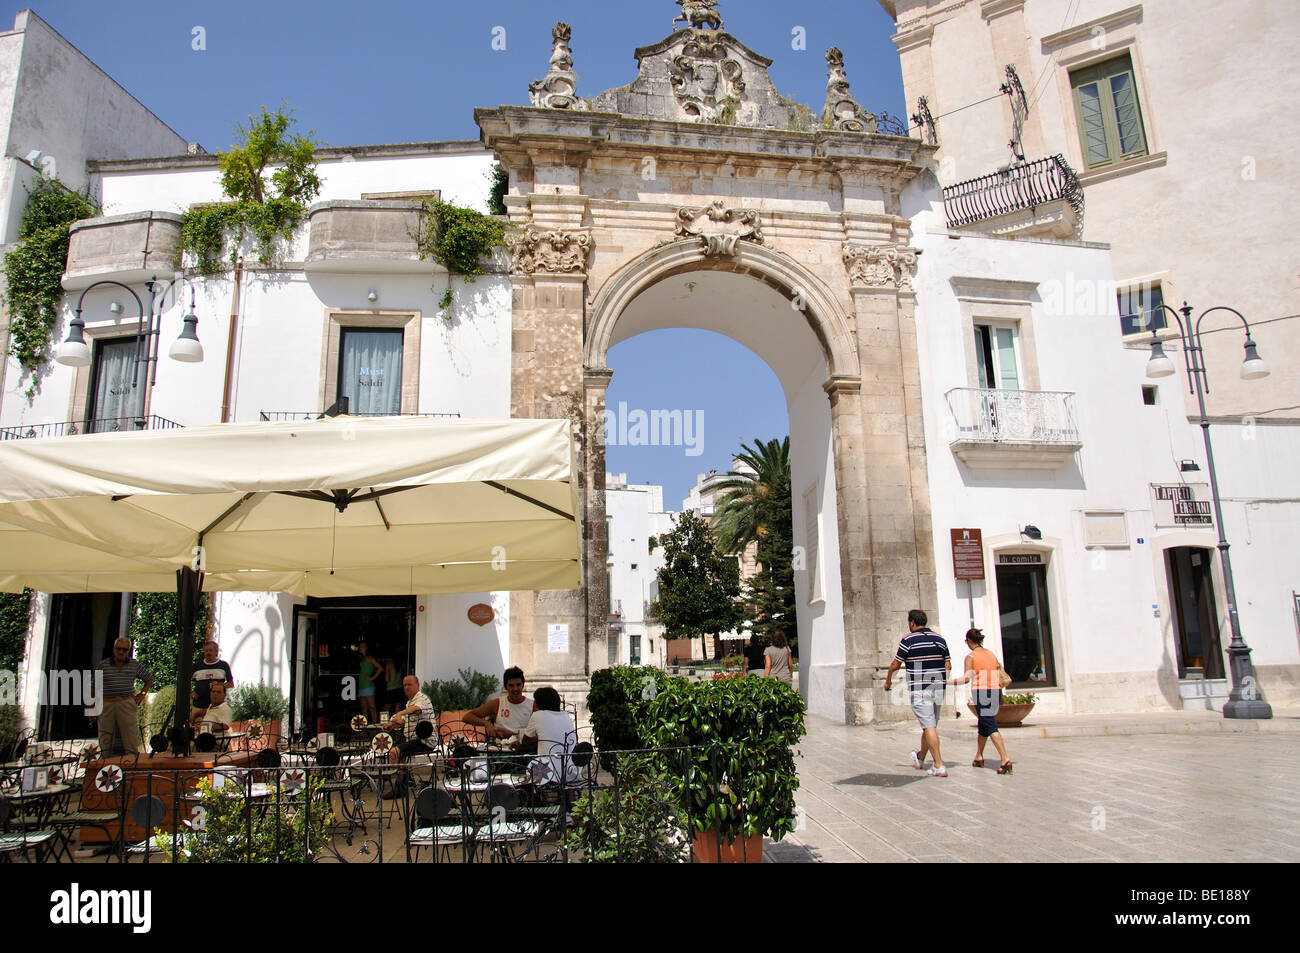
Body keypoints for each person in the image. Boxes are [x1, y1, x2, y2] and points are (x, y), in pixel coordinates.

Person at [883, 609, 951, 777]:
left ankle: (939, 765)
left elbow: (895, 665)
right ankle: (920, 758)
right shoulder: (940, 639)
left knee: (929, 726)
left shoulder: (908, 640)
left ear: (912, 622)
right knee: (929, 725)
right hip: (938, 687)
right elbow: (948, 665)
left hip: (920, 688)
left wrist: (888, 680)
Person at [950, 628, 1013, 774]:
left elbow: (966, 678)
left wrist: (948, 682)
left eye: (966, 641)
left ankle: (1005, 760)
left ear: (969, 641)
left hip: (982, 693)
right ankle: (979, 757)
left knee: (990, 725)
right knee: (984, 725)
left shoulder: (971, 657)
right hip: (996, 691)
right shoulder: (991, 654)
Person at [92, 637, 152, 755]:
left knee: (130, 736)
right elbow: (94, 686)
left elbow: (149, 679)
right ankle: (105, 761)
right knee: (105, 736)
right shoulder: (103, 665)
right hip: (107, 703)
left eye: (124, 649)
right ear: (114, 649)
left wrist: (142, 694)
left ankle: (131, 762)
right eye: (118, 648)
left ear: (128, 651)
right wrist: (92, 707)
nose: (121, 652)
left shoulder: (134, 664)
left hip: (126, 702)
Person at [512, 686, 580, 785]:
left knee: (524, 771)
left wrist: (538, 738)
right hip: (572, 771)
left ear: (539, 703)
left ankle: (530, 794)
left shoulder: (537, 715)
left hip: (548, 774)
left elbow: (525, 741)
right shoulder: (565, 716)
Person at [464, 667, 534, 740]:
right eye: (511, 685)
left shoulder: (533, 705)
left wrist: (511, 734)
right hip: (500, 745)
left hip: (524, 746)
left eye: (518, 685)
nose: (515, 689)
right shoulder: (497, 703)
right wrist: (486, 723)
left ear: (523, 685)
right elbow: (467, 716)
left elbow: (538, 734)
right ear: (505, 687)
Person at [385, 675, 436, 763]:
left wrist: (399, 713)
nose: (407, 687)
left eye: (409, 685)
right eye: (405, 685)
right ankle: (402, 772)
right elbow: (404, 720)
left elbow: (416, 708)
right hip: (411, 740)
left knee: (394, 752)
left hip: (424, 740)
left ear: (417, 685)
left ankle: (397, 772)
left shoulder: (422, 698)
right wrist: (392, 725)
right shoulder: (409, 703)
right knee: (394, 751)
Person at [192, 640, 233, 708]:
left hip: (217, 706)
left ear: (216, 652)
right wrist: (191, 693)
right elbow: (185, 680)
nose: (208, 653)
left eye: (210, 650)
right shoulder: (197, 666)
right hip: (198, 705)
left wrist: (219, 684)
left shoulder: (223, 665)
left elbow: (231, 684)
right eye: (206, 651)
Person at [357, 640, 381, 725]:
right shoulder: (362, 659)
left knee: (371, 707)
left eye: (363, 646)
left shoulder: (370, 658)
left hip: (368, 685)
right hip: (362, 685)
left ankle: (375, 724)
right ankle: (365, 725)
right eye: (360, 646)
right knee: (364, 707)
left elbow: (380, 668)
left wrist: (372, 678)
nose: (361, 648)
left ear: (366, 648)